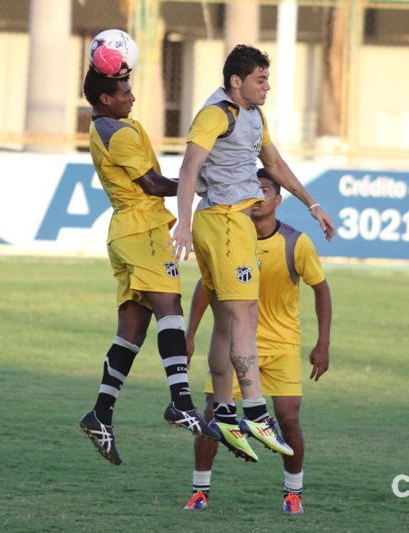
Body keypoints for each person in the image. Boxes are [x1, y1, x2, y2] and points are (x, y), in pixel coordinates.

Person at [168, 44, 335, 461]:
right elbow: (189, 167)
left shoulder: (254, 116)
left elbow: (274, 163)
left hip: (227, 222)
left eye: (268, 79)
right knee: (247, 314)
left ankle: (224, 413)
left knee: (226, 320)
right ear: (236, 81)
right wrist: (183, 224)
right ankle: (257, 413)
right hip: (224, 222)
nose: (267, 87)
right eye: (260, 80)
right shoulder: (216, 113)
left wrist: (312, 204)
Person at [78, 63, 220, 466]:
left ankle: (100, 414)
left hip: (127, 231)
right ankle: (180, 402)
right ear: (106, 98)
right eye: (124, 91)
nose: (132, 96)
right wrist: (203, 184)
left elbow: (154, 179)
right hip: (143, 230)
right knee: (170, 309)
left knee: (132, 329)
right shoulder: (118, 133)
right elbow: (154, 185)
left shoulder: (111, 125)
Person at [183, 169, 332, 513]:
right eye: (253, 190)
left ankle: (293, 492)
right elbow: (206, 288)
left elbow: (321, 289)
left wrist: (322, 343)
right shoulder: (232, 241)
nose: (258, 196)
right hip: (235, 346)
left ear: (278, 200)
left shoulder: (296, 242)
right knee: (212, 413)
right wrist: (189, 335)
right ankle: (199, 491)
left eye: (264, 190)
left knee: (288, 417)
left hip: (281, 346)